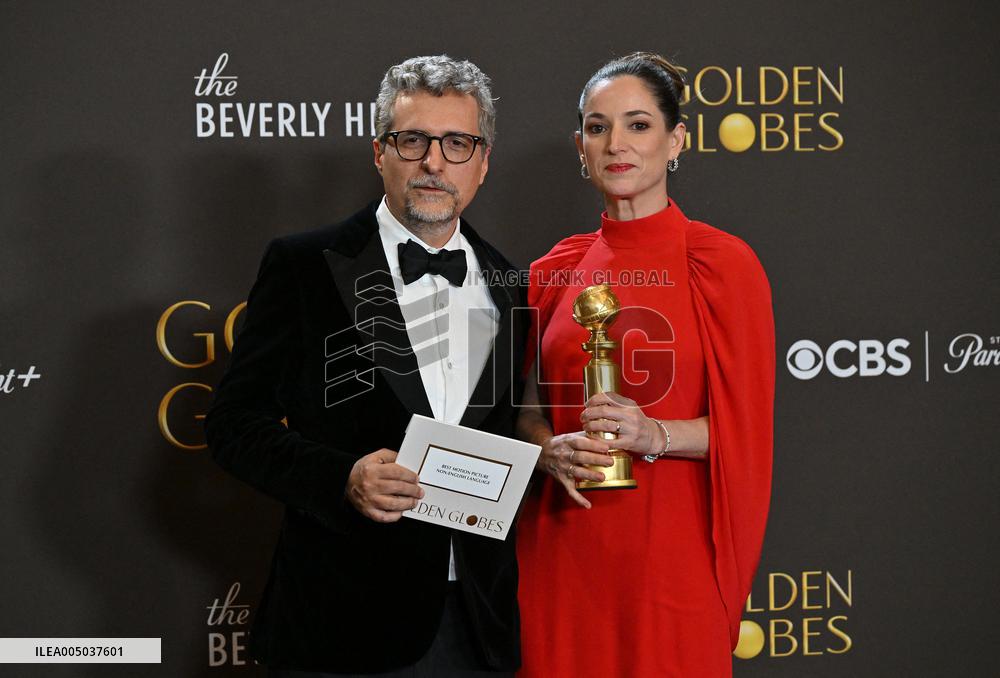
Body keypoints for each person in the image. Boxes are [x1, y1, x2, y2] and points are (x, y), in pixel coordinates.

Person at [206, 55, 526, 677]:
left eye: (457, 143)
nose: (434, 162)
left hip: (476, 629)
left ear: (483, 163)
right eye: (413, 140)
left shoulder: (511, 282)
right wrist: (341, 478)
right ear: (380, 152)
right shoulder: (304, 266)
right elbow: (232, 425)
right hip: (341, 625)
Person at [515, 52, 774, 677]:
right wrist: (547, 448)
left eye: (638, 124)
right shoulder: (555, 270)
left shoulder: (721, 264)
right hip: (560, 553)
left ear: (675, 140)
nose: (616, 144)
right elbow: (524, 409)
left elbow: (747, 434)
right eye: (597, 127)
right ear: (581, 148)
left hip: (673, 562)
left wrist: (653, 434)